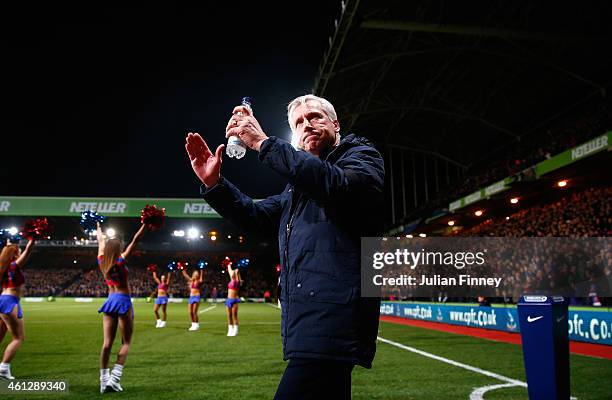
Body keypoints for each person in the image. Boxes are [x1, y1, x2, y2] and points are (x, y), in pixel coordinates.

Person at [185, 94, 385, 399]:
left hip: (332, 317)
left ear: (335, 123)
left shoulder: (360, 155)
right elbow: (257, 216)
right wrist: (215, 185)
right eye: (299, 122)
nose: (307, 125)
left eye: (315, 117)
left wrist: (264, 144)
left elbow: (337, 186)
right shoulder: (297, 188)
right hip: (309, 321)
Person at [97, 222, 146, 393]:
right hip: (123, 300)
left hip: (110, 301)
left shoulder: (102, 261)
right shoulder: (121, 260)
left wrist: (99, 230)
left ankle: (103, 381)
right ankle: (115, 379)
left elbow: (100, 244)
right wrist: (145, 225)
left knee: (106, 344)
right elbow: (135, 240)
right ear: (118, 250)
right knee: (126, 342)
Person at [0, 238, 35, 380]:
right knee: (18, 338)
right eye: (17, 252)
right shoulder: (13, 266)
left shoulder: (3, 267)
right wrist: (33, 240)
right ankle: (3, 368)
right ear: (14, 255)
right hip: (10, 302)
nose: (20, 253)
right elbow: (28, 251)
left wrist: (8, 245)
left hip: (3, 300)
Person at [225, 262, 242, 336]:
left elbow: (237, 275)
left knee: (234, 315)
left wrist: (237, 272)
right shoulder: (231, 280)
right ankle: (230, 330)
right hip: (228, 300)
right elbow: (229, 270)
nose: (232, 273)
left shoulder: (237, 282)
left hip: (234, 300)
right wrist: (228, 264)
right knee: (229, 316)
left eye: (233, 273)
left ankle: (235, 330)